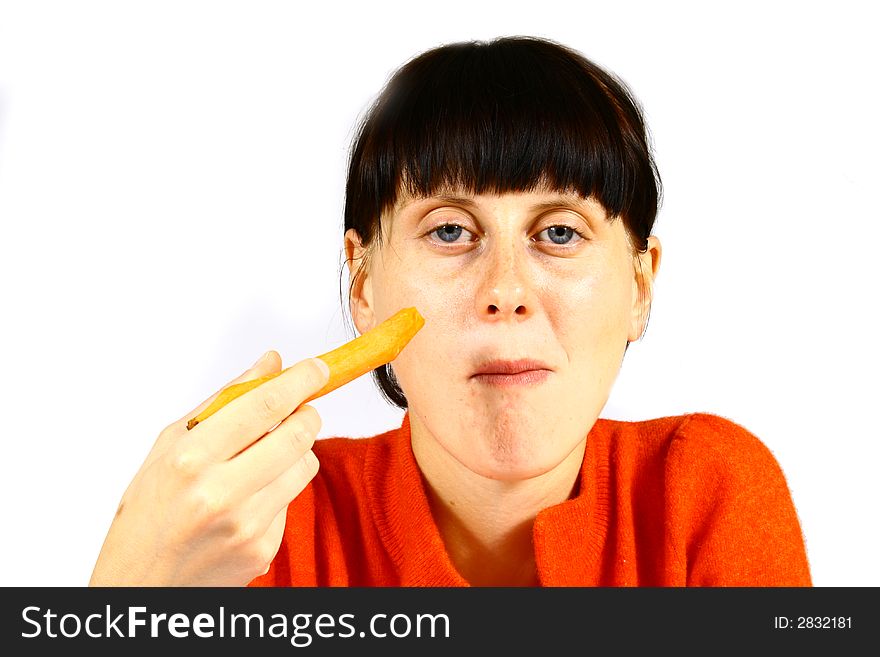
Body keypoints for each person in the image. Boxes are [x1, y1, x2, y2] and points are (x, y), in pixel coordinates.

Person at [89, 36, 811, 587]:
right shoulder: (257, 527)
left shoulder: (706, 489)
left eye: (559, 232)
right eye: (449, 231)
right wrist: (130, 586)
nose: (506, 289)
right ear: (364, 284)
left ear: (640, 283)